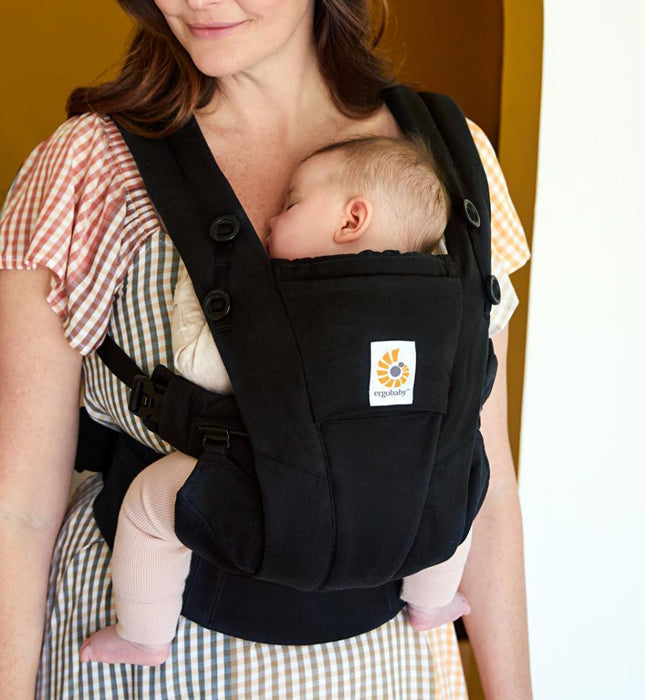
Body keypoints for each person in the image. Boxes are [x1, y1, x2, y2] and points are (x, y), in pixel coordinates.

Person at [0, 1, 532, 697]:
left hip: (388, 665)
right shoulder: (91, 164)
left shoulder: (447, 158)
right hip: (152, 663)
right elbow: (19, 508)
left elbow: (483, 479)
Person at [78, 135, 475, 666]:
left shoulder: (291, 302)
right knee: (463, 471)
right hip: (408, 515)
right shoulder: (448, 309)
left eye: (292, 203)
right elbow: (467, 395)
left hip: (285, 516)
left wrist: (205, 280)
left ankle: (144, 635)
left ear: (352, 220)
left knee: (152, 501)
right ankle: (433, 600)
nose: (271, 219)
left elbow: (200, 367)